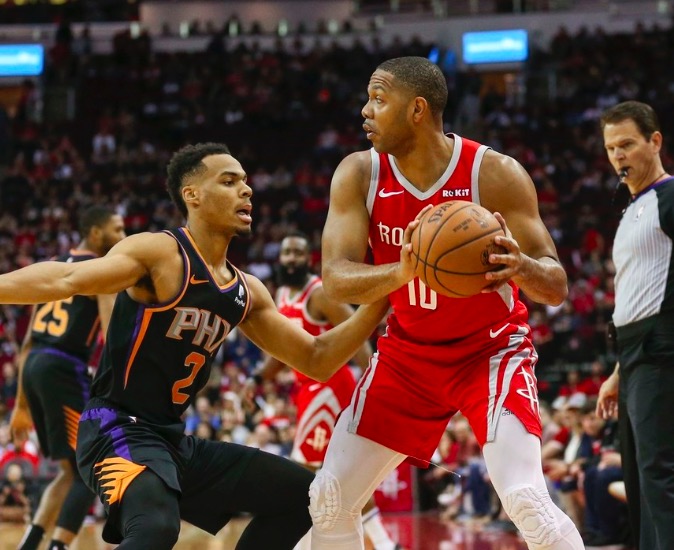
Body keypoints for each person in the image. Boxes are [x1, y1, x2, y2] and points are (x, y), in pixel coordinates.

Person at [0, 142, 389, 550]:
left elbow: (317, 358)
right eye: (229, 181)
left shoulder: (247, 291)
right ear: (193, 195)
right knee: (156, 527)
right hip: (114, 426)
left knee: (306, 497)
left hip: (172, 441)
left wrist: (381, 299)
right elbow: (65, 280)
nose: (246, 189)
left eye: (245, 181)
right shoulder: (160, 253)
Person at [311, 56, 584, 550]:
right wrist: (400, 271)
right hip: (407, 358)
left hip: (490, 352)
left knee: (527, 502)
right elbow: (335, 279)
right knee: (329, 499)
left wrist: (521, 265)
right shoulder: (359, 173)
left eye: (378, 99)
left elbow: (556, 285)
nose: (365, 110)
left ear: (417, 109)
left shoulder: (494, 173)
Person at [257, 231, 400, 550]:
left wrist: (373, 377)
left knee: (304, 471)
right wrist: (259, 378)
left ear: (308, 259)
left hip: (329, 389)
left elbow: (357, 334)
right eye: (286, 253)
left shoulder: (319, 293)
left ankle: (302, 543)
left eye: (298, 253)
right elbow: (283, 351)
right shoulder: (281, 294)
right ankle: (384, 543)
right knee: (337, 475)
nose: (291, 259)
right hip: (307, 390)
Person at [10, 205, 126, 550]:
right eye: (117, 229)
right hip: (64, 368)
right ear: (96, 233)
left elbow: (28, 341)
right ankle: (58, 546)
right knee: (92, 468)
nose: (123, 236)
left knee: (68, 470)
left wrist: (21, 405)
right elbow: (112, 336)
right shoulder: (101, 270)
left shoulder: (53, 264)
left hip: (35, 364)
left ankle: (30, 544)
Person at [596, 100, 674, 550]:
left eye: (626, 144)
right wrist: (617, 372)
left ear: (655, 141)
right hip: (633, 355)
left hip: (660, 349)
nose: (618, 155)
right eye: (611, 148)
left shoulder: (670, 197)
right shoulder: (630, 210)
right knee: (640, 476)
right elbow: (633, 295)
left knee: (659, 472)